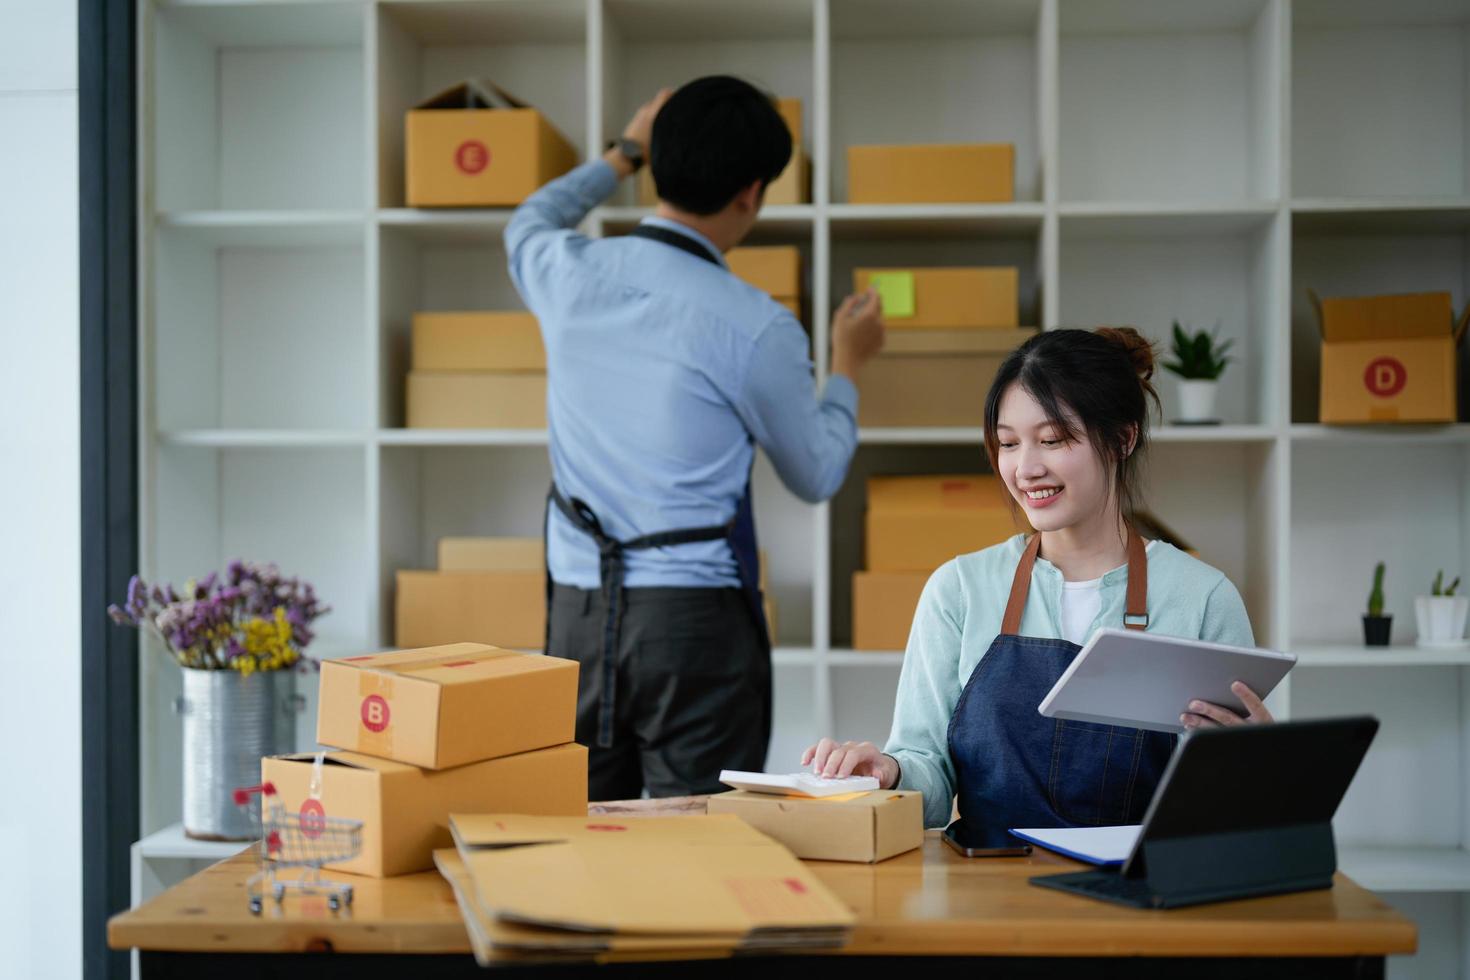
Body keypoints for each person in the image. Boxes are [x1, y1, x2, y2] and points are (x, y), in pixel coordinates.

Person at [506, 77, 885, 802]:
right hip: (693, 629)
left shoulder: (565, 271)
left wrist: (622, 152)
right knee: (701, 850)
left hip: (577, 618)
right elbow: (816, 474)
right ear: (751, 192)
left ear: (657, 162)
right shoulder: (757, 325)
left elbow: (532, 216)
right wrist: (847, 367)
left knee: (582, 838)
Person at [803, 327, 1271, 832]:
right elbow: (929, 776)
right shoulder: (959, 589)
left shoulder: (1201, 598)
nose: (1025, 468)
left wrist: (1254, 760)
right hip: (988, 894)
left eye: (1052, 440)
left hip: (1143, 892)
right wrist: (890, 771)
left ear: (1123, 437)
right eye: (1007, 444)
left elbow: (1220, 806)